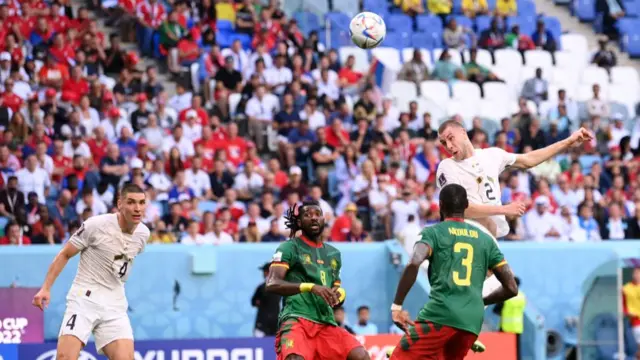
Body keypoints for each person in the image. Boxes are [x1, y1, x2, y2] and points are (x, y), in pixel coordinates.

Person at [387, 184, 518, 359]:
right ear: (466, 206)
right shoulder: (486, 240)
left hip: (440, 316)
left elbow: (414, 263)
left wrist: (397, 306)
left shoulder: (432, 233)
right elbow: (511, 288)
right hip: (471, 323)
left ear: (440, 205)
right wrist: (478, 301)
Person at [32, 184, 150, 360]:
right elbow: (65, 254)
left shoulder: (143, 234)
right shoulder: (96, 225)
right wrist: (46, 288)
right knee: (65, 358)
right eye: (131, 202)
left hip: (115, 303)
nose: (137, 208)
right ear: (120, 204)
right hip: (84, 299)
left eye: (141, 203)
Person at [266, 200, 370, 360]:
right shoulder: (289, 247)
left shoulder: (333, 254)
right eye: (308, 215)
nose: (314, 218)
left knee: (360, 356)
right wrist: (310, 287)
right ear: (299, 222)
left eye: (318, 214)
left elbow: (335, 293)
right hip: (296, 319)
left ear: (324, 219)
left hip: (325, 323)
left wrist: (339, 296)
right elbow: (272, 283)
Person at [494, 277, 525, 359]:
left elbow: (496, 310)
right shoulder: (522, 296)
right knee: (517, 351)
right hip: (518, 328)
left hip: (505, 328)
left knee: (503, 351)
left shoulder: (506, 296)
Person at [251, 263, 282, 337]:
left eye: (265, 271)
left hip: (266, 324)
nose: (263, 274)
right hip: (268, 324)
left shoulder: (262, 287)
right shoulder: (280, 286)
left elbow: (254, 301)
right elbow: (253, 302)